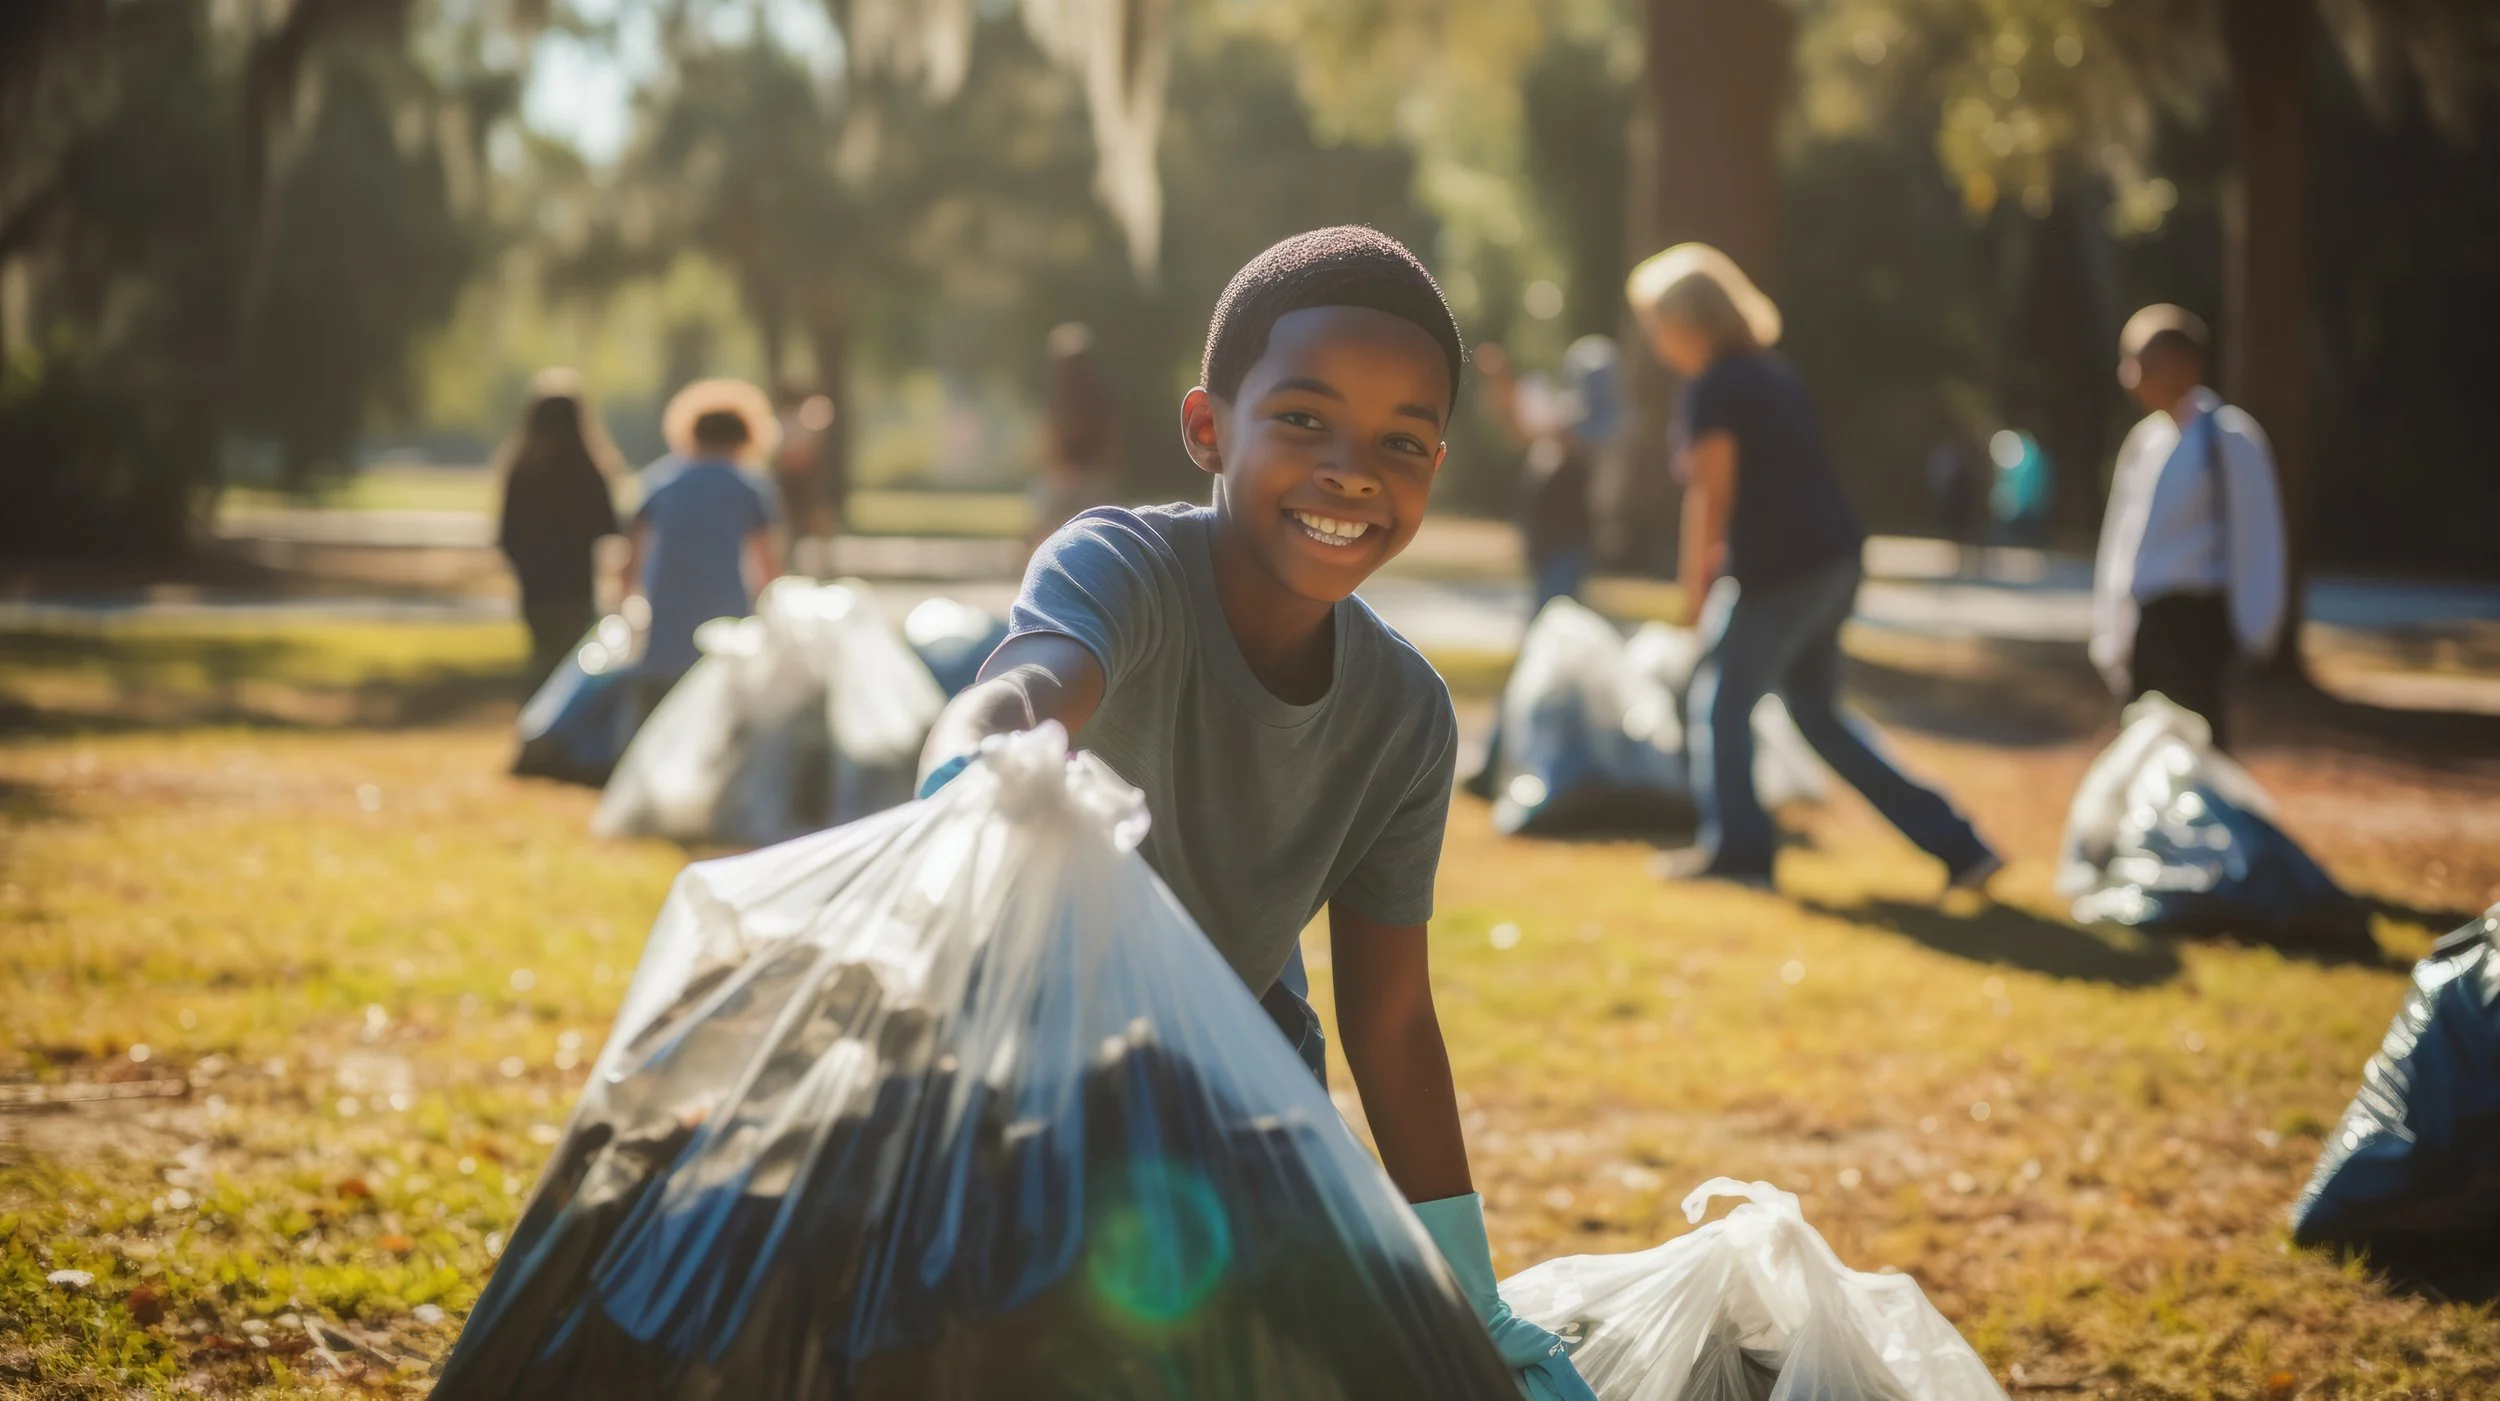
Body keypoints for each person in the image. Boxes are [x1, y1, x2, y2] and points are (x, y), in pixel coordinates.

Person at [915, 228, 1597, 1401]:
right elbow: (1026, 685)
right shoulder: (1121, 567)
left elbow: (1389, 1018)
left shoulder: (1406, 717)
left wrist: (1465, 1283)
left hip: (1231, 1091)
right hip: (1017, 1070)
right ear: (1206, 429)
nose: (1351, 470)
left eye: (1402, 442)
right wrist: (977, 763)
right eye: (1302, 420)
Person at [1628, 243, 1999, 891]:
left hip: (1783, 572)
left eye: (1660, 325)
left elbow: (1711, 496)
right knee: (1817, 715)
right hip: (1834, 561)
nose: (1658, 343)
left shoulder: (1714, 385)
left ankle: (1740, 855)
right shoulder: (1774, 374)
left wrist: (1695, 593)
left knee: (1720, 703)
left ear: (1693, 321)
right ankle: (1959, 844)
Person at [2090, 304, 2287, 751]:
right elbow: (2123, 541)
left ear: (2185, 366)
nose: (2130, 376)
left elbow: (2257, 537)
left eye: (2142, 364)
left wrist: (2257, 627)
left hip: (2198, 624)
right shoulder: (2145, 442)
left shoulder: (2229, 438)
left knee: (2199, 749)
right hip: (2150, 623)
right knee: (2142, 747)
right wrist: (2112, 627)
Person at [622, 379, 783, 697]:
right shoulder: (749, 487)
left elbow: (632, 554)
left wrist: (625, 605)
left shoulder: (661, 481)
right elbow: (767, 566)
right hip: (725, 615)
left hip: (666, 614)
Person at [494, 369, 623, 694]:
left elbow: (507, 535)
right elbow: (608, 526)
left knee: (542, 664)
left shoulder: (521, 470)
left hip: (536, 586)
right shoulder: (591, 471)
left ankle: (538, 729)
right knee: (573, 668)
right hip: (576, 583)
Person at [1031, 321, 1122, 545]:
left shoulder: (1096, 399)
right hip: (1068, 476)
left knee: (1100, 519)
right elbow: (1052, 442)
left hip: (1091, 476)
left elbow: (1108, 444)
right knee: (1046, 509)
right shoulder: (1061, 399)